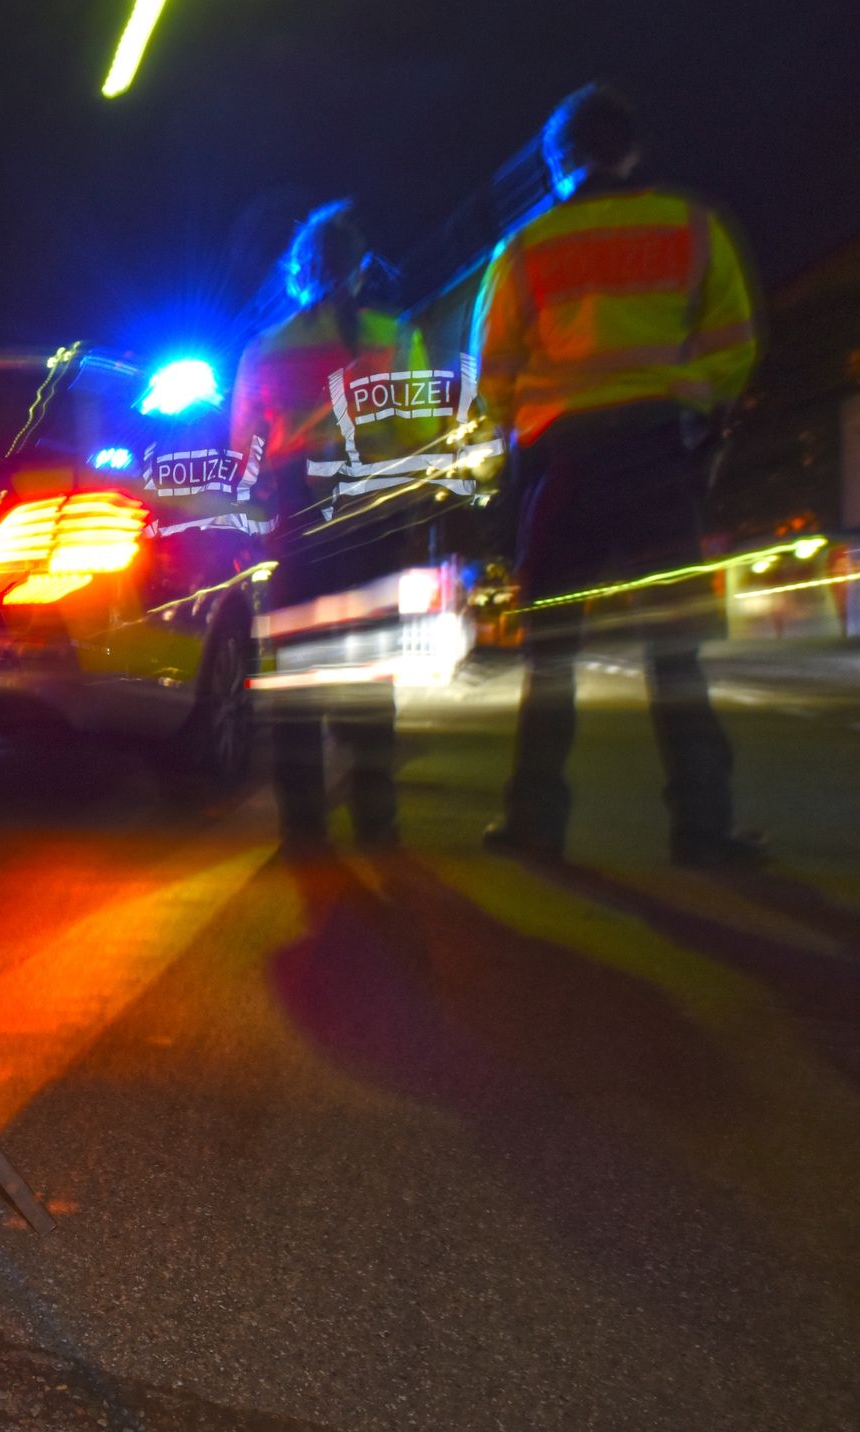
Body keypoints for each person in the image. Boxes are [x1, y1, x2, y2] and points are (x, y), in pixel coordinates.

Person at [473, 83, 762, 867]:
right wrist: (694, 415)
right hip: (655, 458)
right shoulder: (691, 226)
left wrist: (527, 429)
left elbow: (493, 374)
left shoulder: (525, 249)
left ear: (557, 161)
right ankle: (703, 830)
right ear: (631, 150)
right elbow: (732, 344)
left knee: (552, 655)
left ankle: (534, 824)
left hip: (563, 465)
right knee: (675, 652)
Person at [230, 201, 444, 854]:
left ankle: (303, 830)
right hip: (374, 520)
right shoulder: (395, 335)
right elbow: (423, 435)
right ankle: (377, 820)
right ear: (360, 271)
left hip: (299, 518)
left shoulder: (265, 349)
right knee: (369, 674)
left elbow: (247, 452)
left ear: (298, 273)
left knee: (298, 674)